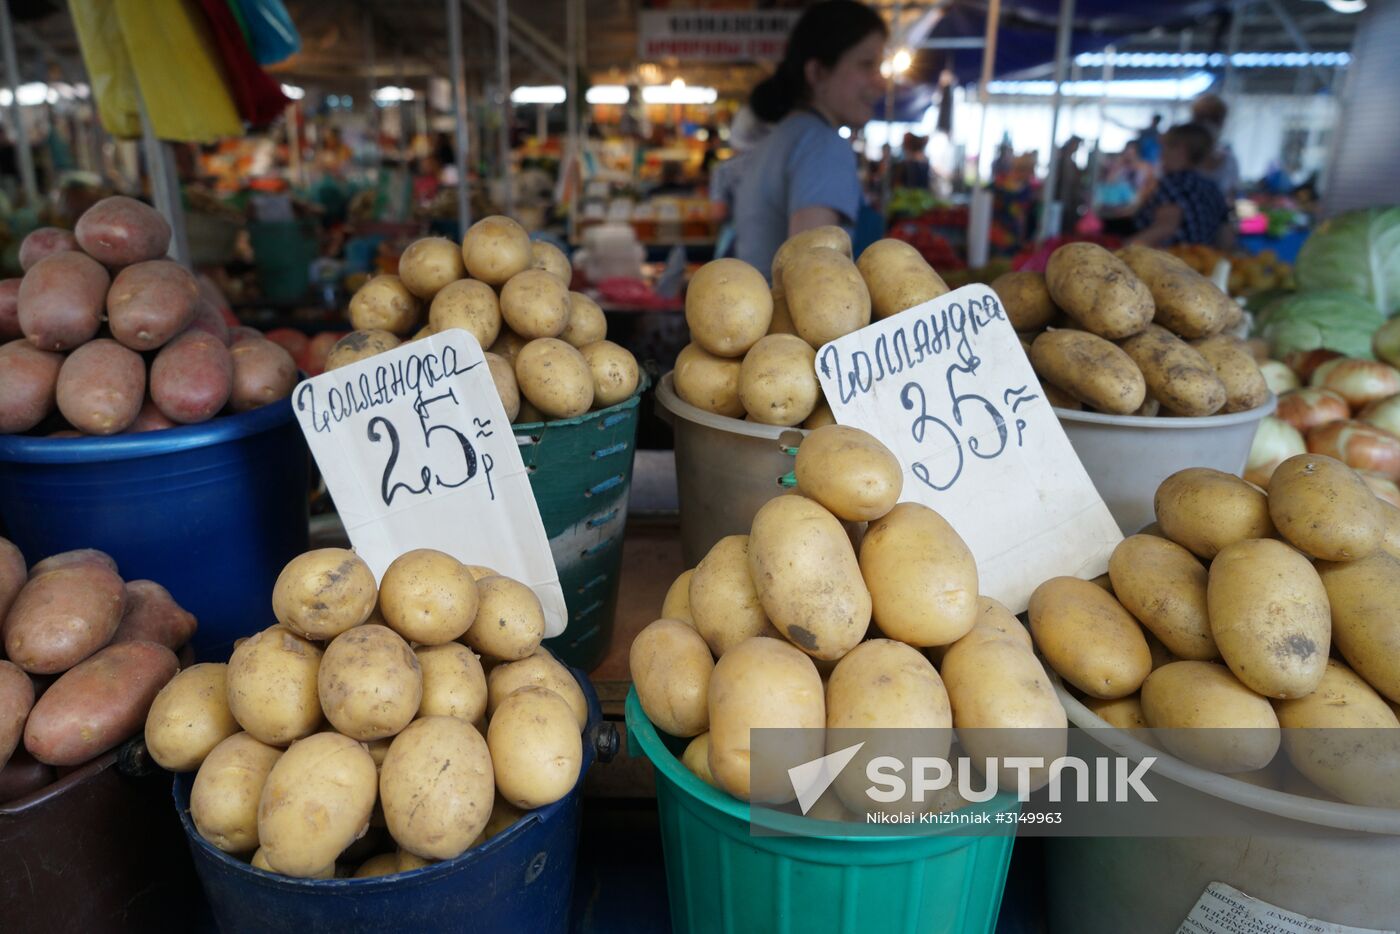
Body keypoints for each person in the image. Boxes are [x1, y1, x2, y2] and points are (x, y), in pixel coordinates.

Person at [733, 0, 887, 277]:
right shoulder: (823, 145)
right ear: (817, 72)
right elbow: (814, 278)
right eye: (867, 65)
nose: (881, 83)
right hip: (797, 319)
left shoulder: (780, 136)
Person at [1129, 123, 1230, 248]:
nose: (1161, 154)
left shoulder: (1173, 184)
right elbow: (1226, 235)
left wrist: (1125, 249)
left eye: (1164, 147)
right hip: (1202, 261)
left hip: (1170, 260)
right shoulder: (1212, 187)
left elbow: (1165, 228)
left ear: (1180, 150)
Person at [1190, 94, 1240, 203]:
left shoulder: (1229, 161)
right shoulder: (1179, 157)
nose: (1207, 124)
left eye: (1214, 118)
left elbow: (1231, 197)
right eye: (1202, 118)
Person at [1052, 136, 1084, 234]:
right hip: (1060, 200)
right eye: (1076, 145)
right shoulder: (1061, 160)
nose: (1076, 148)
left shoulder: (1070, 162)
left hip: (1068, 201)